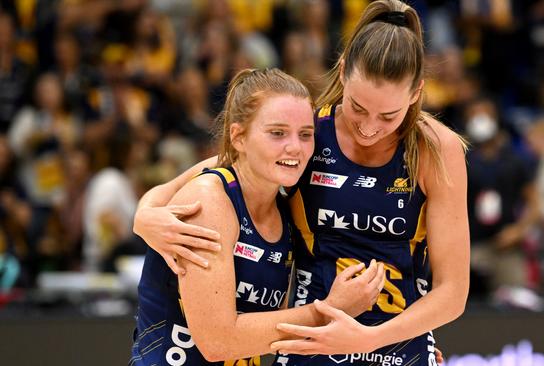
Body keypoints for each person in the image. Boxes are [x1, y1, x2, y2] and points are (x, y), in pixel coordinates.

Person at [134, 1, 469, 365]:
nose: (370, 126)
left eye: (389, 115)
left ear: (416, 93)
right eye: (358, 107)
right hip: (309, 342)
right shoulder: (307, 134)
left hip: (397, 345)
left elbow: (452, 292)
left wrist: (368, 338)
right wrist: (146, 215)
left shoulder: (436, 148)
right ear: (342, 74)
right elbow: (226, 166)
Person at [130, 68, 386, 366]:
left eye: (305, 134)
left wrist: (402, 349)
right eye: (277, 133)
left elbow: (267, 332)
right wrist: (327, 310)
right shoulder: (210, 198)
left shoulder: (286, 202)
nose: (295, 147)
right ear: (238, 137)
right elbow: (218, 342)